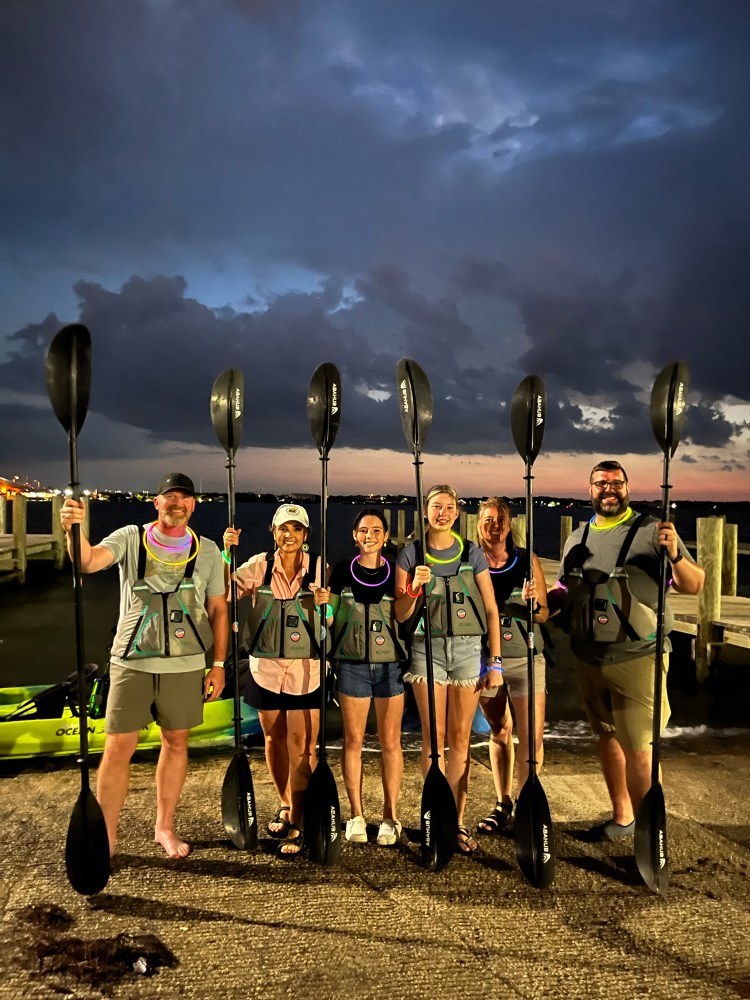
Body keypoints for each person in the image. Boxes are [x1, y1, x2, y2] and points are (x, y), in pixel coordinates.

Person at [60, 472, 227, 859]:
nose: (177, 504)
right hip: (131, 662)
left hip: (185, 664)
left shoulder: (209, 551)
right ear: (157, 502)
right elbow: (87, 562)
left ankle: (164, 827)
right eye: (170, 497)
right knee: (118, 748)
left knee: (176, 742)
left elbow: (218, 609)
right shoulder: (130, 538)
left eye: (185, 498)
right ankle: (108, 836)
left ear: (194, 505)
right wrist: (73, 528)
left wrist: (217, 664)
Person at [548, 460, 705, 840]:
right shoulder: (577, 537)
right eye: (601, 484)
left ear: (627, 487)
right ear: (589, 490)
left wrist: (676, 555)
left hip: (639, 657)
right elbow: (566, 590)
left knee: (640, 750)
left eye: (616, 483)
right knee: (607, 736)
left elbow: (694, 585)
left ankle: (652, 840)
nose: (608, 489)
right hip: (588, 657)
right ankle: (623, 819)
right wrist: (543, 599)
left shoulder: (653, 531)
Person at [394, 485, 503, 854]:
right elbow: (400, 613)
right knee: (433, 740)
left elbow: (490, 610)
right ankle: (432, 816)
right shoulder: (411, 553)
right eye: (436, 506)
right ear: (426, 511)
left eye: (449, 507)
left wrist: (496, 662)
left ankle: (456, 821)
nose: (442, 513)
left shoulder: (472, 553)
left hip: (469, 651)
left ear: (458, 512)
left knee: (460, 740)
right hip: (427, 649)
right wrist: (413, 588)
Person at [224, 503, 326, 858]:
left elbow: (329, 618)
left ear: (305, 535)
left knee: (303, 746)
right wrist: (226, 554)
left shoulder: (318, 569)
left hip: (304, 672)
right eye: (284, 529)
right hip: (265, 668)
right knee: (273, 737)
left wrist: (325, 605)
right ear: (273, 531)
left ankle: (299, 818)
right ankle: (285, 802)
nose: (289, 536)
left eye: (296, 530)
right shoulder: (259, 565)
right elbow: (223, 593)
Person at [315, 508, 407, 847]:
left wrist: (415, 591)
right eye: (363, 530)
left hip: (390, 667)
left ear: (385, 537)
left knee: (390, 744)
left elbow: (405, 615)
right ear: (355, 535)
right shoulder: (340, 571)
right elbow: (328, 619)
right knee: (353, 742)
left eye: (377, 530)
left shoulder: (397, 571)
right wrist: (322, 604)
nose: (370, 535)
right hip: (351, 665)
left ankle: (390, 816)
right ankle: (355, 815)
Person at [474, 497, 550, 835]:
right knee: (499, 730)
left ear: (509, 523)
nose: (494, 525)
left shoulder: (526, 559)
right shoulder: (471, 561)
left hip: (525, 657)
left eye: (500, 519)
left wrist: (531, 604)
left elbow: (544, 614)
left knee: (530, 738)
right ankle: (502, 802)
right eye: (488, 519)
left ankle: (525, 803)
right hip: (485, 660)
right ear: (478, 524)